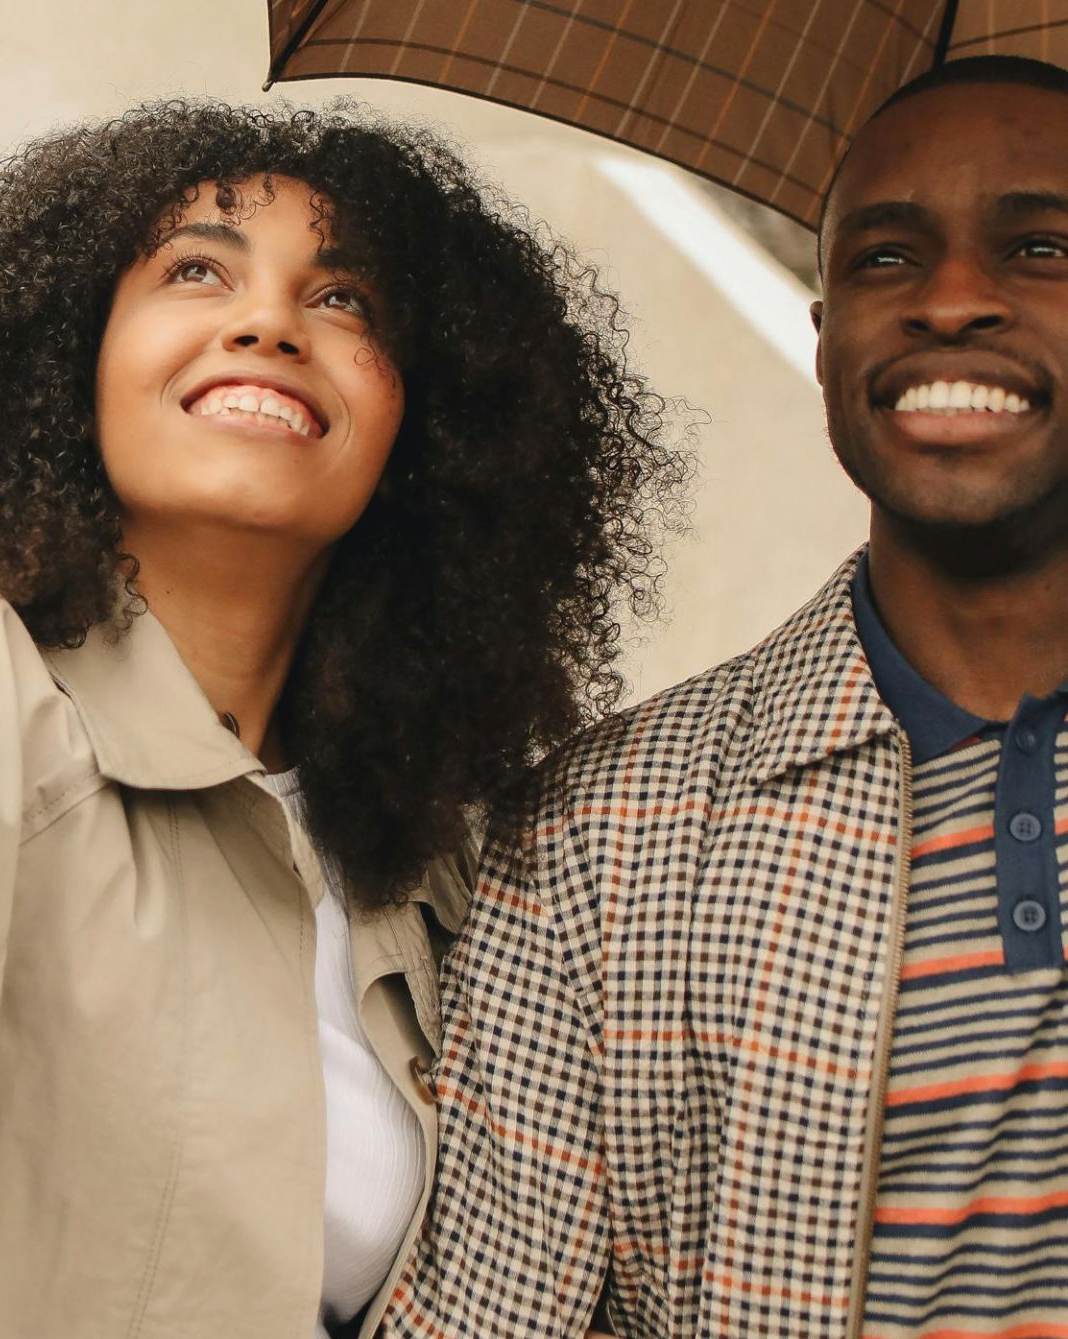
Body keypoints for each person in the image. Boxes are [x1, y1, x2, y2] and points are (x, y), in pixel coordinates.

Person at [0, 2, 684, 1336]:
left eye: (343, 298)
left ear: (427, 424)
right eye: (198, 271)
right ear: (70, 359)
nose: (270, 322)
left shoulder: (437, 864)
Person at [411, 54, 1068, 1339]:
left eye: (1040, 247)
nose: (951, 300)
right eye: (886, 256)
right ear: (825, 349)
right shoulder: (600, 838)